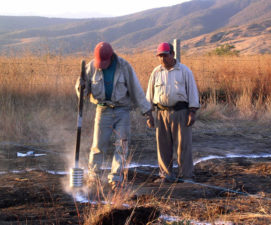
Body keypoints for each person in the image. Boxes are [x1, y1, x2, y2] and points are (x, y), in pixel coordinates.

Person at [76, 41, 153, 190]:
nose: (101, 65)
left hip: (122, 110)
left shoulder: (124, 66)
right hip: (102, 109)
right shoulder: (91, 67)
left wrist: (147, 111)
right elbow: (83, 94)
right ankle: (94, 177)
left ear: (111, 57)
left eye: (104, 62)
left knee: (122, 145)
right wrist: (80, 87)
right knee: (98, 146)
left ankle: (116, 179)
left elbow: (136, 90)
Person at [146, 42, 200, 183]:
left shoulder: (184, 71)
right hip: (160, 113)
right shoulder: (156, 72)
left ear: (172, 54)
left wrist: (192, 112)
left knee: (183, 145)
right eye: (160, 56)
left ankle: (187, 176)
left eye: (165, 55)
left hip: (180, 112)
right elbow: (150, 94)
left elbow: (192, 92)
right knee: (163, 146)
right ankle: (166, 175)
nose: (162, 59)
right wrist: (149, 114)